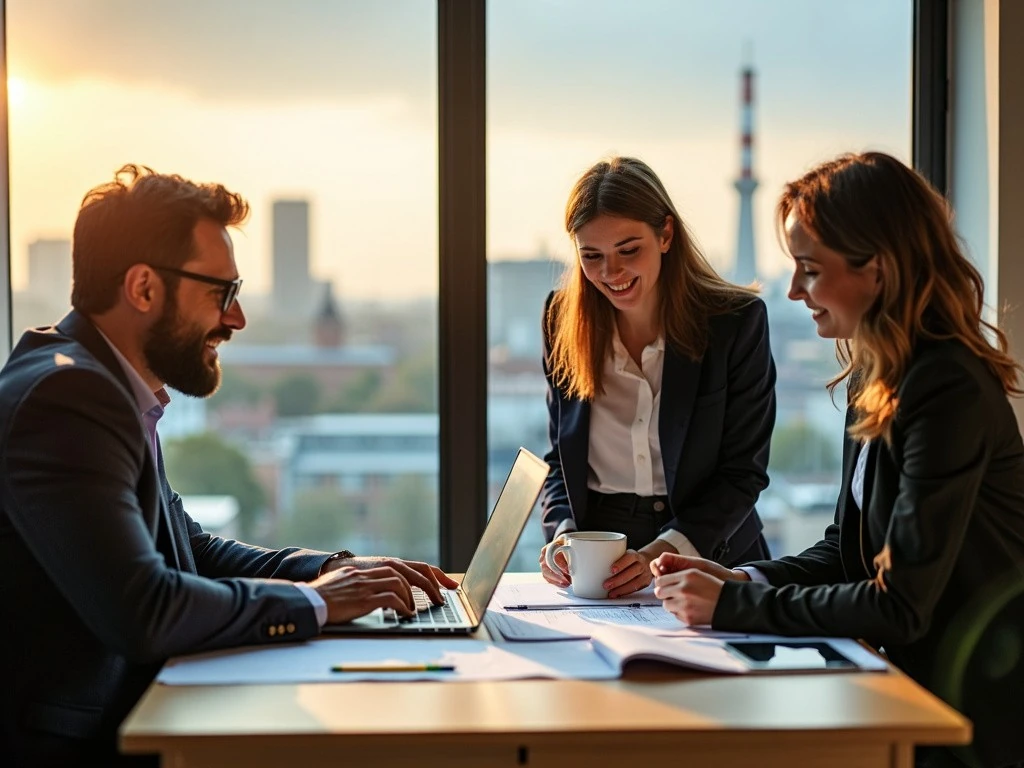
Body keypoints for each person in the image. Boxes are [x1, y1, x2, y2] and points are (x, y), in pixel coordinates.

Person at [0, 165, 458, 768]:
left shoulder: (96, 380)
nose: (235, 319)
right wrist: (318, 603)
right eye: (221, 293)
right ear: (143, 289)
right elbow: (147, 610)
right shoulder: (70, 400)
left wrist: (334, 571)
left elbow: (189, 550)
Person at [651, 152, 1024, 768]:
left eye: (810, 270)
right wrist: (745, 579)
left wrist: (733, 609)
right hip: (899, 687)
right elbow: (847, 550)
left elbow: (898, 604)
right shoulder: (874, 376)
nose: (794, 291)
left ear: (875, 270)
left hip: (967, 707)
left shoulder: (947, 389)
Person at [538, 156, 777, 598]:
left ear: (666, 234)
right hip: (601, 560)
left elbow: (743, 472)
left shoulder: (735, 322)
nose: (611, 273)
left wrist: (661, 551)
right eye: (592, 256)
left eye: (629, 250)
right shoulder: (561, 319)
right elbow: (558, 461)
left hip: (711, 553)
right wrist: (565, 535)